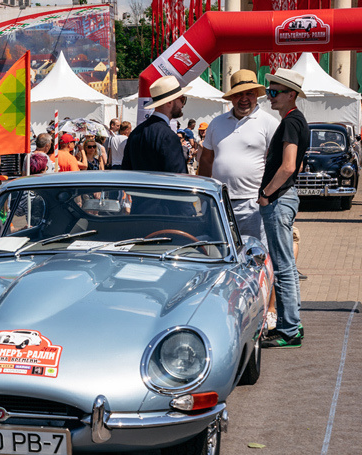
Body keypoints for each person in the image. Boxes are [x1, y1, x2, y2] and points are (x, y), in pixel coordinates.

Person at [258, 68, 310, 349]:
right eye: (270, 91)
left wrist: (267, 193)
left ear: (291, 94)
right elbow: (297, 165)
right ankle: (291, 324)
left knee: (283, 266)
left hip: (279, 199)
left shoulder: (291, 122)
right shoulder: (296, 120)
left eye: (275, 92)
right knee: (285, 265)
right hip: (284, 197)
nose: (270, 96)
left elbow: (289, 166)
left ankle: (289, 329)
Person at [198, 69, 279, 246]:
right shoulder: (216, 123)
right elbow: (206, 160)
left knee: (256, 253)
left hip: (254, 203)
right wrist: (202, 196)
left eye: (249, 93)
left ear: (256, 95)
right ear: (231, 98)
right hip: (220, 202)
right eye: (238, 94)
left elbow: (279, 164)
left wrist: (268, 196)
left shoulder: (269, 123)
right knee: (222, 251)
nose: (244, 99)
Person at [122, 76, 190, 174]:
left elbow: (126, 172)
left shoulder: (135, 133)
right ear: (169, 102)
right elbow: (179, 177)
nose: (182, 105)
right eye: (182, 99)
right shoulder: (169, 137)